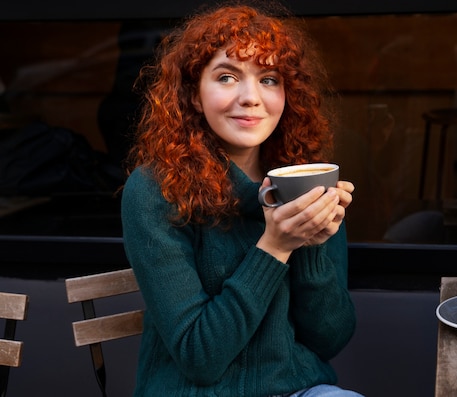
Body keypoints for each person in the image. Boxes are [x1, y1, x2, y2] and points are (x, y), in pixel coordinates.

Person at [120, 2, 362, 396]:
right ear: (194, 95)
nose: (251, 97)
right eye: (228, 77)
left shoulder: (305, 180)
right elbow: (200, 357)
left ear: (288, 94)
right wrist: (275, 247)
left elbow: (329, 341)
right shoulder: (155, 189)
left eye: (269, 79)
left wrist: (313, 248)